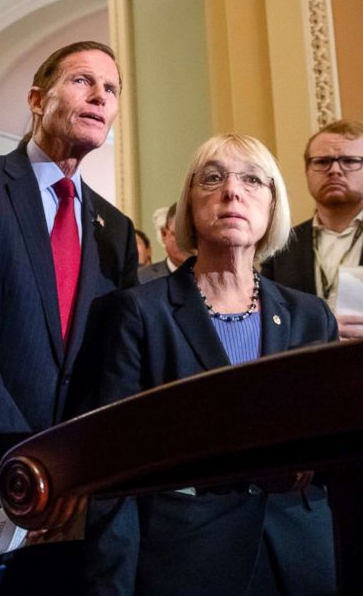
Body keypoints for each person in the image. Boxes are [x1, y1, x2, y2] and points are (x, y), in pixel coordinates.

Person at [74, 134, 336, 596]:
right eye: (212, 178)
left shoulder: (310, 317)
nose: (232, 191)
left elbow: (336, 456)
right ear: (188, 205)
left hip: (301, 557)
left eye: (253, 180)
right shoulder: (139, 312)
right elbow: (116, 467)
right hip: (186, 561)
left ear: (274, 206)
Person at [0, 40, 138, 593]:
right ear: (37, 99)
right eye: (81, 81)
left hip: (78, 490)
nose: (99, 96)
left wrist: (77, 465)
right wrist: (30, 457)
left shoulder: (115, 230)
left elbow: (118, 360)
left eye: (110, 89)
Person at [262, 119, 363, 339]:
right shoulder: (280, 247)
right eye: (322, 162)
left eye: (350, 161)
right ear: (307, 170)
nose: (335, 170)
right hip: (306, 368)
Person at [137, 201, 192, 283]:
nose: (188, 242)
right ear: (164, 234)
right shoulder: (141, 279)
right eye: (181, 234)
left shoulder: (215, 279)